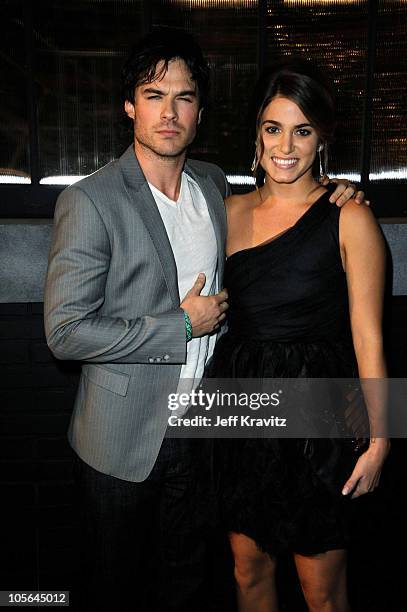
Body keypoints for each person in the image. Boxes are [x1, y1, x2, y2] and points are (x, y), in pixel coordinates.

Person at [44, 28, 364, 612]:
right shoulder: (90, 200)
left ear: (200, 111)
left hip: (213, 430)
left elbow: (288, 212)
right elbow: (64, 334)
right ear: (129, 106)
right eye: (153, 94)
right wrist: (181, 326)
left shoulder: (215, 188)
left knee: (189, 586)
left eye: (184, 97)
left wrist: (342, 193)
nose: (169, 112)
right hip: (122, 440)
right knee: (112, 589)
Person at [205, 57, 390, 612]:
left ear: (321, 139)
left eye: (302, 130)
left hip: (322, 412)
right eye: (273, 127)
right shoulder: (226, 210)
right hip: (240, 400)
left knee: (322, 591)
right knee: (246, 573)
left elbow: (368, 336)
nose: (286, 145)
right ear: (256, 136)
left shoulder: (349, 216)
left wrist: (382, 438)